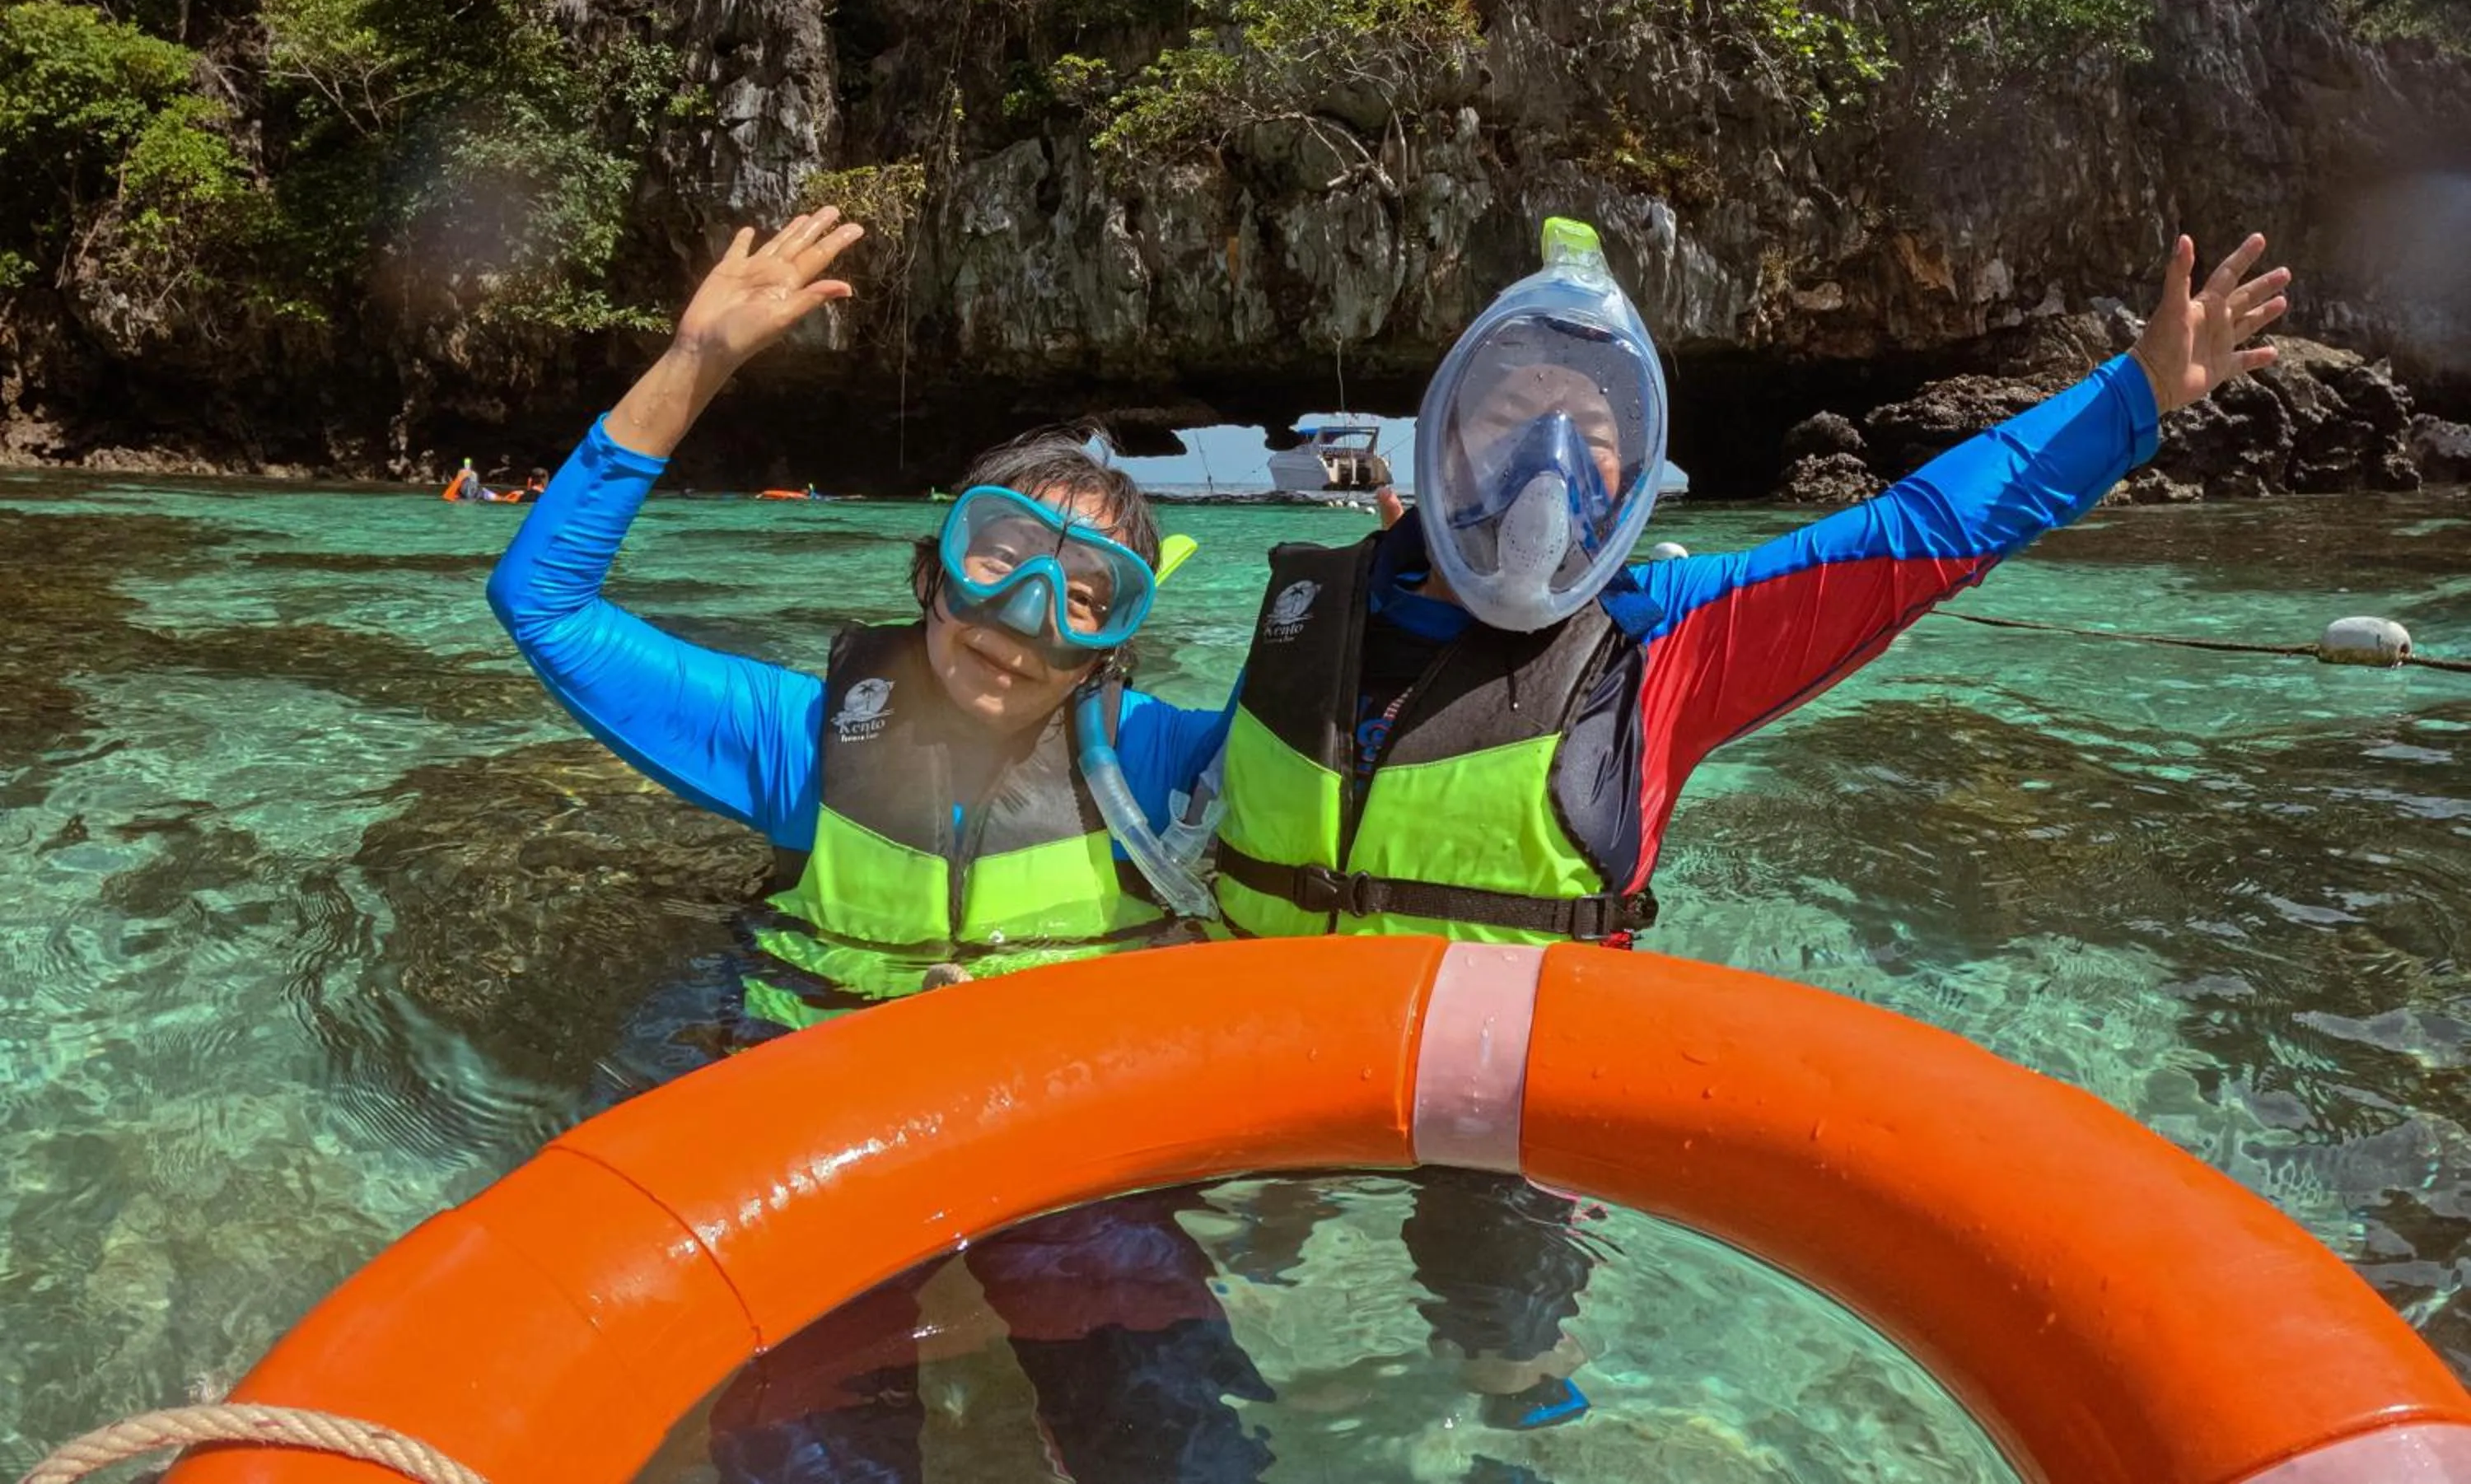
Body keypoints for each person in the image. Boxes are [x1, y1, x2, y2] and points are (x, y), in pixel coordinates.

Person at [1209, 215, 2291, 1430]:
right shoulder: (1310, 612)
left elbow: (1917, 534)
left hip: (1505, 1120)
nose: (1548, 461)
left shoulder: (1664, 641)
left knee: (1500, 1359)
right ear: (1449, 433)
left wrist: (2134, 394)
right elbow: (1184, 782)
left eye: (1592, 436)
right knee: (1226, 1334)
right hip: (1275, 1078)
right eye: (1516, 418)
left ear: (1631, 478)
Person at [487, 204, 1266, 1484]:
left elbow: (1343, 740)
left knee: (1182, 1435)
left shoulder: (1166, 764)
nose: (1021, 619)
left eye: (1081, 598)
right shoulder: (802, 740)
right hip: (826, 1128)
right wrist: (701, 360)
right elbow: (543, 603)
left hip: (1066, 1148)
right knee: (807, 1447)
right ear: (931, 570)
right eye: (998, 557)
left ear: (1115, 646)